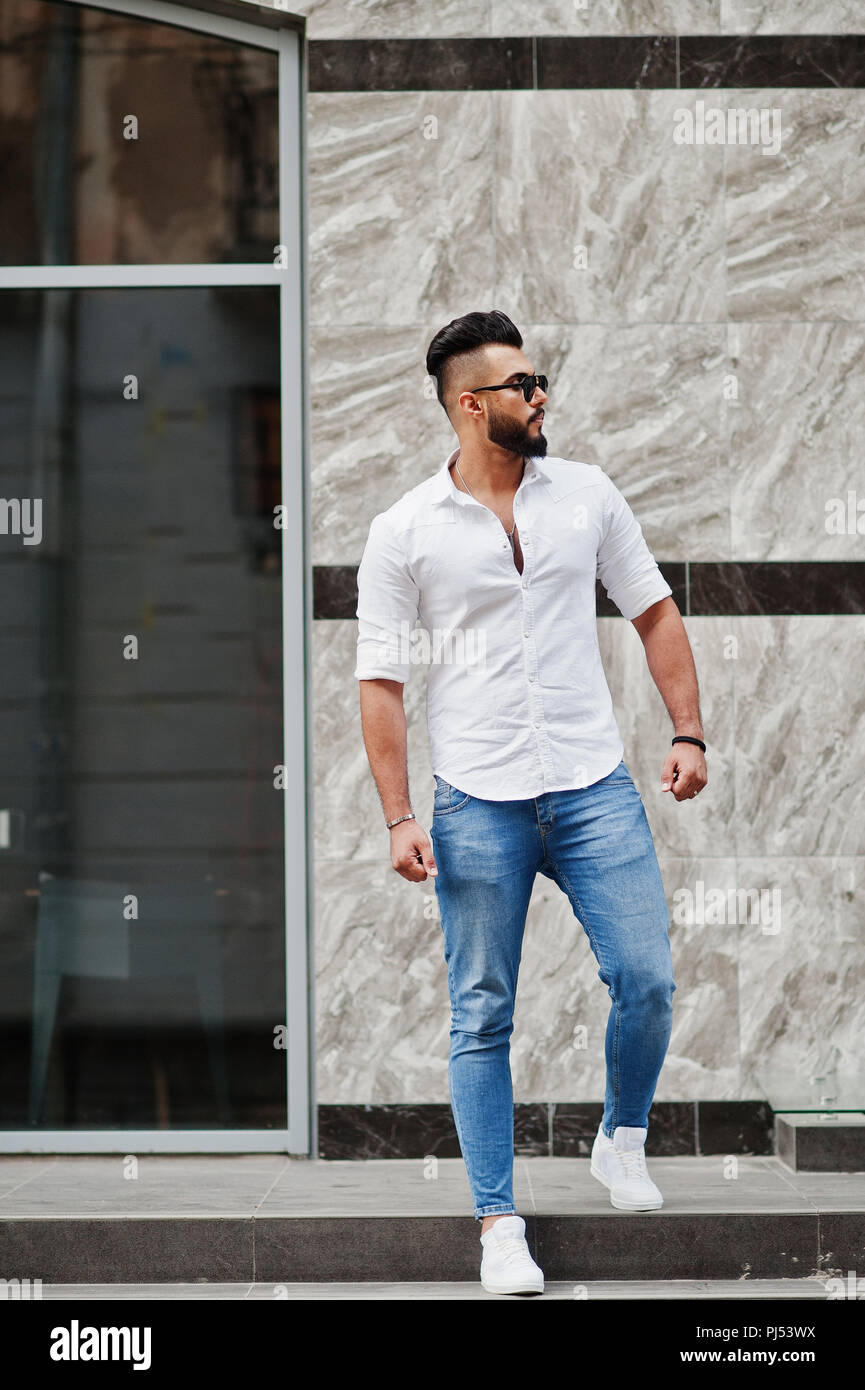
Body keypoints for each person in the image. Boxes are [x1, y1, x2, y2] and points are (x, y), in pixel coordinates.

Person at [354, 309, 707, 1296]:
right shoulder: (404, 531)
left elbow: (653, 608)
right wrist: (396, 815)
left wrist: (686, 729)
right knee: (481, 1014)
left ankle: (621, 1138)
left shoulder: (586, 495)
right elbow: (377, 682)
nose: (539, 392)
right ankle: (498, 1222)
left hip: (592, 786)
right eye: (520, 383)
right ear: (470, 405)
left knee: (645, 977)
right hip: (477, 800)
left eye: (539, 378)